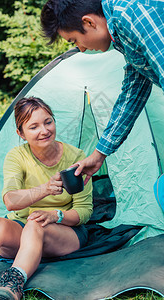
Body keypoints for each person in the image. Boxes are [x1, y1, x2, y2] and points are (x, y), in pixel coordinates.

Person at [0, 97, 93, 300]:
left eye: (48, 122)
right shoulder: (17, 157)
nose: (44, 130)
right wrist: (45, 189)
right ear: (21, 133)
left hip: (65, 233)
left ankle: (13, 284)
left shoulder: (76, 156)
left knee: (35, 223)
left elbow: (84, 212)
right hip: (23, 230)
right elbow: (10, 200)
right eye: (33, 127)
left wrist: (55, 215)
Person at [41, 0, 164, 184]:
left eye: (74, 40)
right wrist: (99, 154)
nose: (80, 49)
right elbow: (133, 93)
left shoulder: (132, 14)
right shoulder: (121, 33)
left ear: (89, 22)